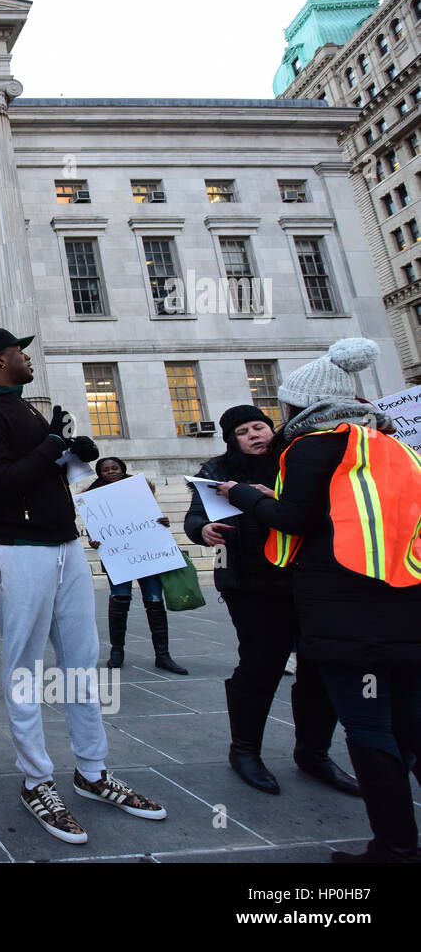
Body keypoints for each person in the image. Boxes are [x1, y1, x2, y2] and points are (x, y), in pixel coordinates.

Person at [0, 328, 166, 845]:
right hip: (15, 546)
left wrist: (73, 455)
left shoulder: (22, 406)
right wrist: (53, 445)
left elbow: (40, 472)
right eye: (21, 353)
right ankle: (36, 780)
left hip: (63, 543)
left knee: (81, 659)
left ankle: (92, 771)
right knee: (25, 665)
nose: (29, 358)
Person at [217, 338, 421, 862]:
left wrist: (245, 496)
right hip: (404, 601)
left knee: (370, 728)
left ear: (300, 406)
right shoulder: (394, 446)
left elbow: (293, 521)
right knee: (411, 727)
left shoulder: (313, 446)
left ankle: (395, 848)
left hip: (346, 609)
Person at [184, 405, 356, 798]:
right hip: (250, 583)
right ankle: (244, 750)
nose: (254, 435)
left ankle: (314, 753)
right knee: (260, 666)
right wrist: (203, 529)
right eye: (243, 431)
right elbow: (195, 517)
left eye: (259, 426)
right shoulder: (215, 471)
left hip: (310, 579)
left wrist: (273, 496)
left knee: (318, 668)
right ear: (232, 439)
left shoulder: (296, 459)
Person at [82, 457, 186, 674]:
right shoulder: (92, 497)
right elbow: (95, 529)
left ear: (122, 469)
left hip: (146, 554)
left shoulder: (141, 490)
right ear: (100, 473)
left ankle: (163, 654)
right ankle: (117, 651)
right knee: (119, 599)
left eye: (115, 468)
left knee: (154, 600)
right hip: (118, 557)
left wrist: (162, 522)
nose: (111, 472)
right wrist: (94, 540)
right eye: (105, 469)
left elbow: (151, 518)